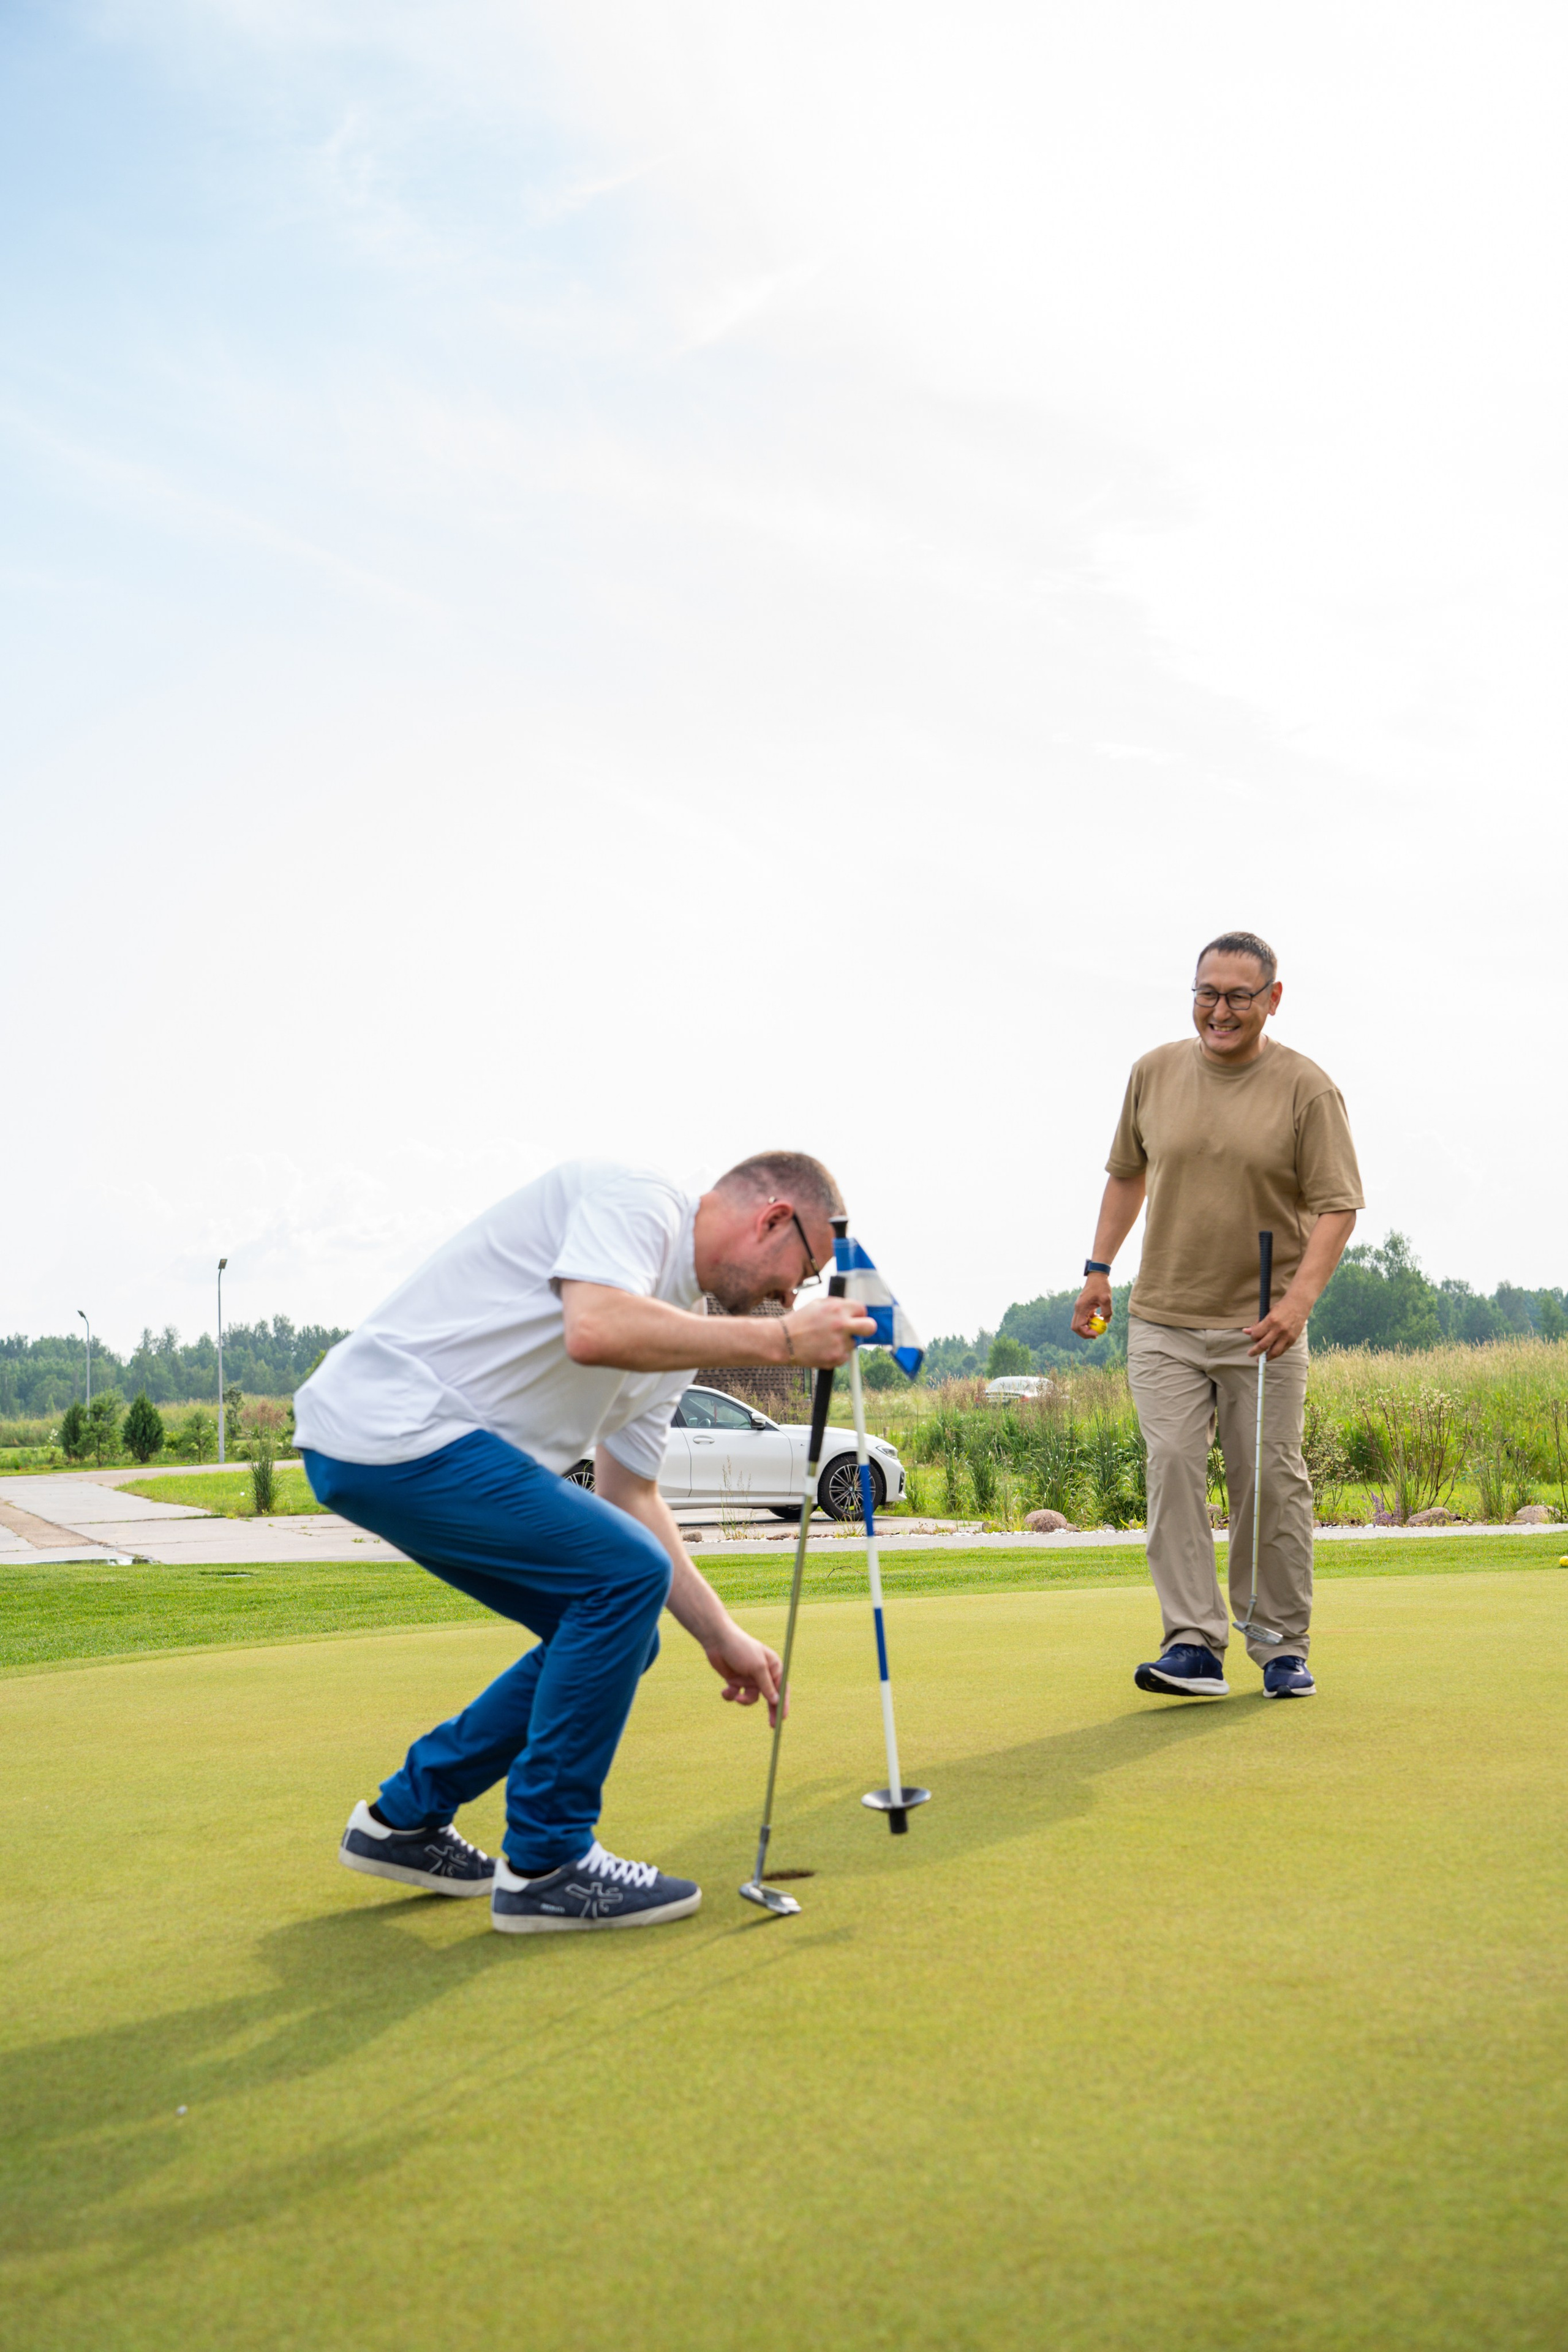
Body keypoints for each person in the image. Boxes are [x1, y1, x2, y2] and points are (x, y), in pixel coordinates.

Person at [293, 1152, 870, 1933]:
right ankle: (546, 1864)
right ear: (773, 1217)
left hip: (404, 1449)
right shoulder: (641, 1203)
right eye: (800, 1272)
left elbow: (632, 1493)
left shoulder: (678, 1333)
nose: (790, 1296)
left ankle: (405, 1819)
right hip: (396, 1424)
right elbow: (593, 1328)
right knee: (621, 1581)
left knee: (619, 1634)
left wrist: (721, 1633)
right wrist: (785, 1340)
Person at [1071, 932, 1362, 1700]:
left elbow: (1338, 1207)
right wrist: (1098, 1271)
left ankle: (1278, 1647)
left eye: (1238, 994)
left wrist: (1296, 1304)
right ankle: (1192, 1644)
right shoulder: (1153, 1072)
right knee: (1171, 1466)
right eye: (1207, 992)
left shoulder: (1307, 1089)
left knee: (1268, 1480)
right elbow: (1125, 1177)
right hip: (1163, 1318)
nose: (1220, 1009)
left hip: (1261, 1328)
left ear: (1272, 998)